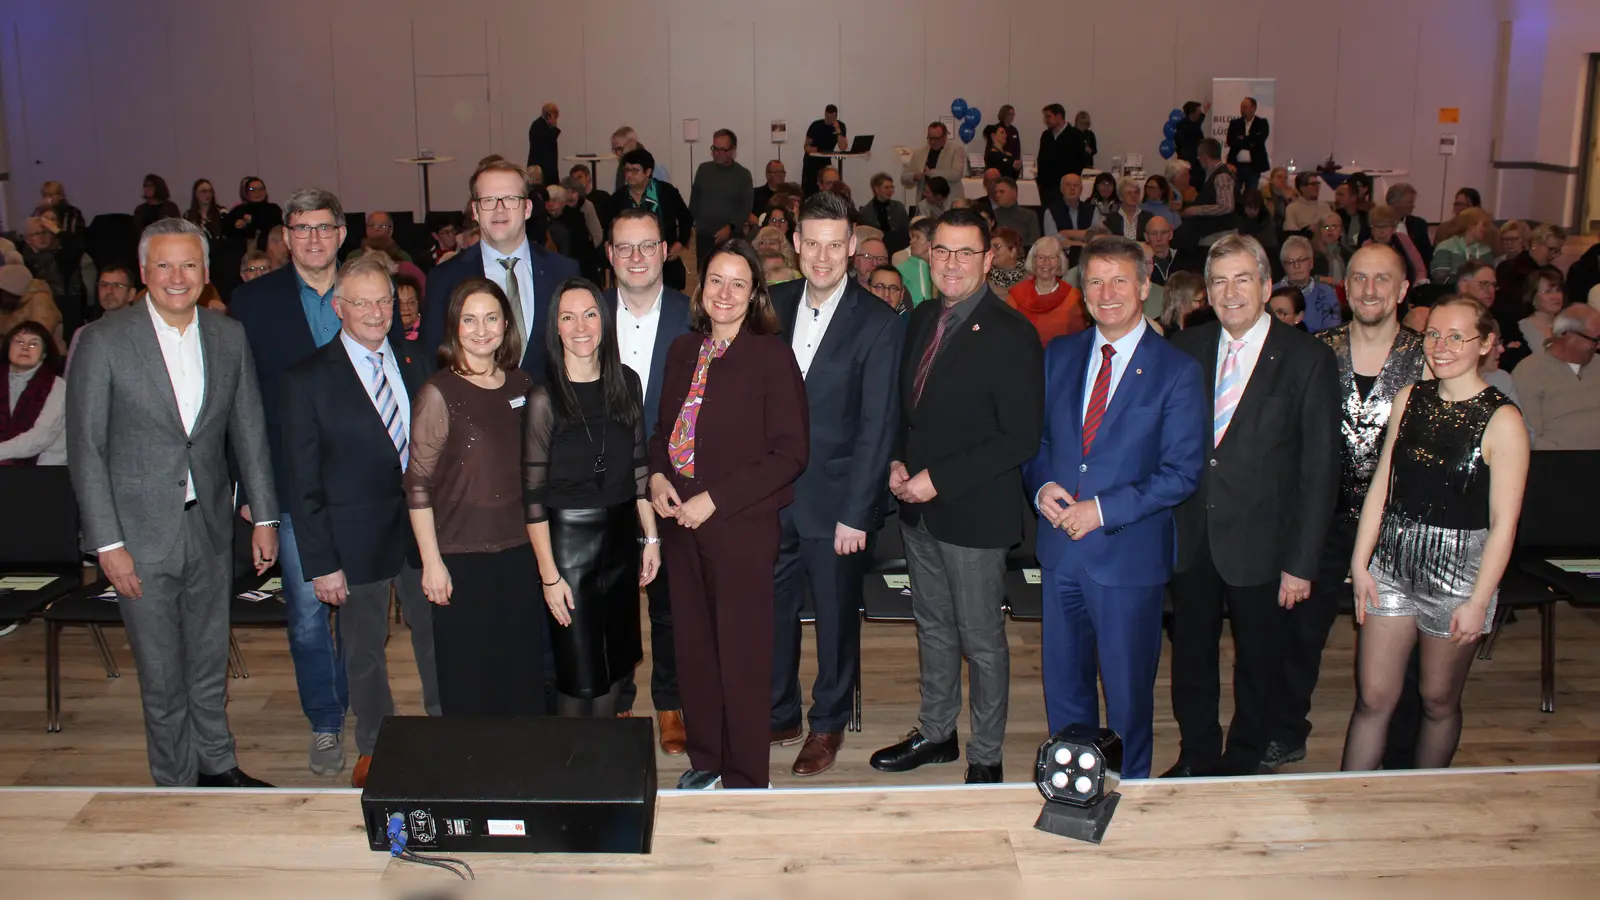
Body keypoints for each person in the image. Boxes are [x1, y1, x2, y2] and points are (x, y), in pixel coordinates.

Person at [67, 217, 279, 788]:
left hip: (208, 527)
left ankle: (217, 764)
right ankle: (175, 784)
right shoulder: (103, 340)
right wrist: (107, 544)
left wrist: (264, 514)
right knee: (161, 674)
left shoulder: (227, 336)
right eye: (163, 264)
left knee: (209, 661)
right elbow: (86, 449)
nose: (176, 276)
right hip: (137, 537)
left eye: (189, 264)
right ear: (144, 271)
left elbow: (249, 430)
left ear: (206, 272)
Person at [232, 188, 406, 777]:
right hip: (294, 487)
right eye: (302, 228)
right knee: (309, 615)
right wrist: (253, 494)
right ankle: (326, 721)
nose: (313, 239)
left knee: (362, 619)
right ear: (286, 235)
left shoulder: (369, 291)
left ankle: (368, 718)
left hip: (367, 495)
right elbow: (242, 406)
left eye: (324, 227)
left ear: (341, 232)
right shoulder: (254, 302)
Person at [870, 209, 1044, 785]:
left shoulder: (1012, 333)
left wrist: (937, 479)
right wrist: (898, 458)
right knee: (933, 626)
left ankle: (986, 756)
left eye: (966, 252)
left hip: (972, 513)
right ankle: (937, 733)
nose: (951, 263)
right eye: (942, 250)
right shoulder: (922, 316)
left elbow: (1018, 437)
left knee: (982, 640)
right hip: (917, 508)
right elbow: (909, 409)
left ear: (988, 259)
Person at [1023, 235, 1206, 779]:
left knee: (1127, 694)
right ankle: (1072, 784)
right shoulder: (1059, 354)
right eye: (1095, 281)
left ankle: (1130, 788)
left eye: (1120, 281)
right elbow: (1037, 443)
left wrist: (1100, 510)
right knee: (1064, 686)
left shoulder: (1176, 369)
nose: (1106, 294)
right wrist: (1040, 486)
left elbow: (1182, 473)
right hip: (1060, 552)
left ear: (1145, 287)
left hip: (1127, 557)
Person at [1164, 234, 1339, 778]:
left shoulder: (1308, 358)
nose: (1230, 292)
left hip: (1267, 544)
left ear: (1266, 286)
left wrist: (1302, 562)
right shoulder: (1186, 348)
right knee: (1191, 657)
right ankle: (1196, 755)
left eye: (1242, 279)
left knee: (1260, 663)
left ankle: (1242, 763)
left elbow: (1319, 471)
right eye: (1219, 281)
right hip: (1192, 536)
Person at [647, 239, 809, 790]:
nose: (725, 293)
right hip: (680, 524)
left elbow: (791, 454)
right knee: (694, 649)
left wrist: (714, 499)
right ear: (700, 288)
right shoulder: (681, 350)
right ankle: (708, 759)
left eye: (739, 283)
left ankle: (745, 775)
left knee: (740, 655)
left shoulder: (771, 356)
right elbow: (663, 432)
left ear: (755, 294)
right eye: (716, 280)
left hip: (739, 526)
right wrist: (657, 477)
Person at [1342, 298, 1528, 771]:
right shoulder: (1410, 398)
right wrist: (1360, 563)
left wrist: (1479, 601)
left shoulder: (1503, 420)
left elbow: (1504, 524)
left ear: (1486, 343)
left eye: (1456, 337)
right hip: (1391, 561)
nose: (1441, 346)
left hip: (1459, 572)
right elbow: (1382, 486)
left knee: (1437, 700)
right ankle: (1346, 800)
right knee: (1373, 698)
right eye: (1433, 334)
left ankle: (1426, 796)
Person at [1262, 243, 1428, 770]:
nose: (1369, 289)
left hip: (1398, 524)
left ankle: (1399, 751)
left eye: (1382, 278)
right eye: (1359, 278)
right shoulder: (1313, 350)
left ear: (1403, 290)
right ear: (1344, 287)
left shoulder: (1428, 357)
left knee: (1403, 647)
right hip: (1320, 520)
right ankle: (1285, 731)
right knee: (1298, 635)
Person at [279, 257, 442, 788]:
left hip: (423, 533)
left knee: (436, 636)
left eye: (384, 301)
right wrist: (321, 563)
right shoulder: (307, 379)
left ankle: (448, 729)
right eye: (363, 302)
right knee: (364, 649)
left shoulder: (418, 361)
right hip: (353, 540)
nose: (376, 312)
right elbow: (303, 483)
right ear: (338, 307)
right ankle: (374, 744)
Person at [769, 193, 903, 777]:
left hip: (837, 505)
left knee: (835, 620)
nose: (822, 257)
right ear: (796, 244)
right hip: (771, 499)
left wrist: (858, 511)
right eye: (812, 243)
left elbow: (878, 426)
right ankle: (779, 713)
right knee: (771, 613)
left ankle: (827, 722)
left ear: (852, 247)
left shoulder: (878, 322)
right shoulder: (771, 305)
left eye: (834, 245)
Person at [407, 278, 545, 717]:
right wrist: (431, 563)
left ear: (506, 325)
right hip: (462, 558)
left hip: (520, 551)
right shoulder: (438, 393)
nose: (481, 330)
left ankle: (520, 758)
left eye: (491, 318)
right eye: (469, 320)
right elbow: (417, 485)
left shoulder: (523, 383)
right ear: (454, 326)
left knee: (521, 676)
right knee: (470, 683)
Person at [523, 277, 659, 718]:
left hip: (620, 542)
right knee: (578, 674)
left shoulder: (628, 383)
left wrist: (651, 539)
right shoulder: (544, 398)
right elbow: (533, 497)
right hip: (568, 549)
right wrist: (549, 576)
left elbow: (639, 469)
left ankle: (602, 757)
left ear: (605, 321)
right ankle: (572, 759)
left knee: (615, 668)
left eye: (590, 314)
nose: (580, 327)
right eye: (568, 317)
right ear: (555, 328)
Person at [605, 208, 693, 750]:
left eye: (646, 246)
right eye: (624, 247)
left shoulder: (694, 314)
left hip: (672, 483)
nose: (636, 257)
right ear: (610, 255)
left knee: (669, 605)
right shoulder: (584, 314)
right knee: (611, 601)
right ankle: (617, 699)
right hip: (603, 486)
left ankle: (670, 703)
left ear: (665, 252)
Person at [424, 158, 582, 381]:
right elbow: (433, 358)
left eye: (510, 199)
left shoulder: (563, 272)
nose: (499, 209)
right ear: (475, 210)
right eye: (489, 200)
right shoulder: (445, 278)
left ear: (527, 208)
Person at [1511, 304, 1600, 450]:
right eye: (1595, 339)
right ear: (1568, 336)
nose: (1598, 346)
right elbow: (1530, 434)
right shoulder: (1529, 371)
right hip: (1558, 459)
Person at [610, 148, 694, 291]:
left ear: (648, 172)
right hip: (632, 258)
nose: (629, 175)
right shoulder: (618, 198)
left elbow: (686, 218)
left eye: (635, 170)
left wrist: (680, 243)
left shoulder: (666, 192)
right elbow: (610, 228)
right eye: (627, 170)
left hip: (665, 259)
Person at [0, 321, 67, 465]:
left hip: (45, 468)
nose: (25, 347)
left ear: (44, 354)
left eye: (33, 344)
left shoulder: (57, 386)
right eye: (19, 342)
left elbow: (41, 437)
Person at [690, 129, 754, 277]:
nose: (718, 153)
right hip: (705, 236)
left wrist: (730, 227)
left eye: (723, 150)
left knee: (731, 274)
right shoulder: (703, 170)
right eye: (715, 149)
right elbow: (694, 200)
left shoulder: (743, 175)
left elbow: (745, 207)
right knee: (705, 275)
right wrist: (691, 225)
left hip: (732, 236)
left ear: (733, 150)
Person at [1006, 236, 1085, 345]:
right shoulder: (1016, 295)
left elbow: (1078, 339)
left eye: (1052, 257)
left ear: (1060, 262)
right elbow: (1008, 335)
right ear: (1033, 262)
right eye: (1041, 257)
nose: (1046, 263)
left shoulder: (1073, 296)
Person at [1175, 140, 1238, 268]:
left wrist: (1196, 210)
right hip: (1214, 233)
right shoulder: (1214, 174)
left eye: (1199, 156)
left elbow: (1226, 206)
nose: (1198, 159)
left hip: (1219, 234)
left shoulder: (1221, 176)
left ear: (1204, 156)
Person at [1276, 236, 1342, 333]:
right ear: (1283, 266)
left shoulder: (1326, 293)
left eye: (1301, 260)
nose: (1297, 266)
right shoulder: (1273, 293)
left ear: (1311, 263)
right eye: (1290, 262)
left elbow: (1333, 332)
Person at [901, 122, 964, 201]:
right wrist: (914, 176)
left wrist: (932, 173)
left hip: (950, 201)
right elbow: (904, 177)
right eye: (930, 138)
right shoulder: (919, 153)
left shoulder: (956, 150)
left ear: (945, 137)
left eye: (936, 139)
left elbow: (957, 174)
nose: (932, 142)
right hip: (925, 202)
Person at [1037, 104, 1082, 209]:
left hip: (1067, 187)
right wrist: (1040, 182)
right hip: (1047, 188)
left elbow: (1079, 162)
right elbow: (1041, 159)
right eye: (1045, 117)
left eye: (1048, 117)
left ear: (1059, 116)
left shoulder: (1075, 135)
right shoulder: (1046, 135)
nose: (1046, 120)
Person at [1517, 267, 1566, 355]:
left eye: (1558, 290)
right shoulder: (1522, 329)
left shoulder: (1569, 326)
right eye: (1548, 292)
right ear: (1533, 298)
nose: (1555, 296)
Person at [1226, 97, 1271, 195]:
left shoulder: (1262, 123)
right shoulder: (1235, 123)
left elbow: (1260, 140)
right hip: (1235, 166)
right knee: (1234, 193)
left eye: (1245, 107)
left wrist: (1242, 139)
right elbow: (1231, 141)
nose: (1242, 110)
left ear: (1253, 108)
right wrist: (1250, 141)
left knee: (1251, 194)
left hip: (1254, 166)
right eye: (1241, 107)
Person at [224, 176, 282, 252]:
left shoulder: (273, 209)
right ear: (246, 193)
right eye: (252, 189)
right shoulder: (238, 210)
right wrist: (237, 225)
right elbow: (227, 230)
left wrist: (253, 220)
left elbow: (276, 227)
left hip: (268, 248)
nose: (257, 192)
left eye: (260, 188)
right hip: (243, 250)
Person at [858, 173, 911, 255]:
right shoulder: (866, 211)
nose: (890, 190)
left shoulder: (899, 207)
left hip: (899, 252)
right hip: (876, 253)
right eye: (886, 187)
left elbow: (906, 232)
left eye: (891, 187)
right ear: (876, 189)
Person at [803, 105, 849, 195]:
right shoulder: (816, 125)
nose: (831, 119)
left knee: (828, 183)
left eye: (834, 116)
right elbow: (806, 145)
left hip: (826, 158)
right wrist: (811, 149)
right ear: (825, 114)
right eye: (829, 116)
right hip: (812, 159)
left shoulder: (840, 126)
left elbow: (843, 147)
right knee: (811, 188)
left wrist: (838, 130)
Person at [610, 127, 672, 192]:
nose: (617, 154)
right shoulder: (621, 170)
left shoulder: (656, 171)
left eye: (620, 149)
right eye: (615, 150)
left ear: (632, 144)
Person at [1105, 177, 1155, 242]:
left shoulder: (1148, 217)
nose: (1133, 195)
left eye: (1136, 192)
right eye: (1129, 193)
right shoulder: (1112, 218)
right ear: (1121, 196)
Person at [526, 102, 561, 189]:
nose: (557, 118)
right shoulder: (539, 126)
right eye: (555, 115)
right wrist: (554, 126)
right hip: (543, 169)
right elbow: (548, 141)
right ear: (549, 115)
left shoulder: (539, 125)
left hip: (546, 168)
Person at [1174, 101, 1208, 177]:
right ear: (1192, 114)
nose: (1200, 113)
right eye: (1198, 112)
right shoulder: (1191, 130)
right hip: (1191, 166)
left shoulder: (1186, 126)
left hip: (1187, 164)